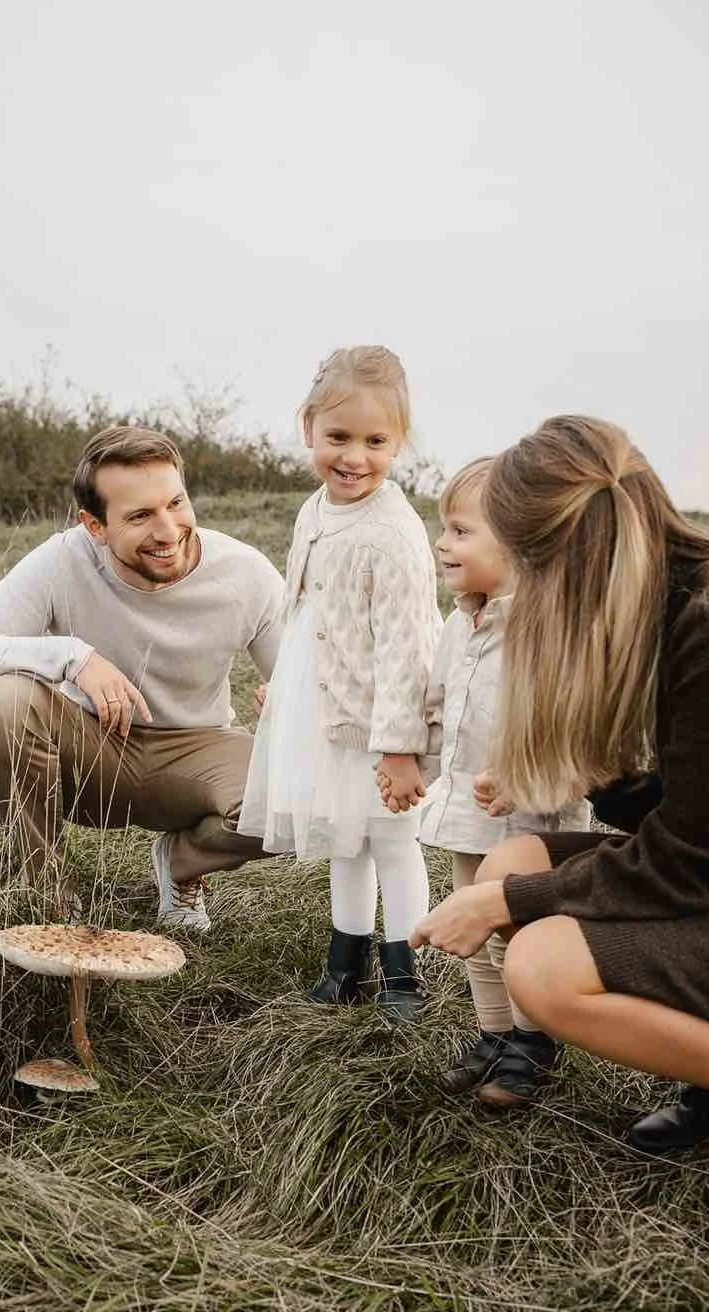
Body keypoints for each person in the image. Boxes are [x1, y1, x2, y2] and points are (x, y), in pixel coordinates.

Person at [408, 415, 709, 1152]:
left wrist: (498, 903)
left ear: (556, 559)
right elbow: (689, 818)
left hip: (701, 879)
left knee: (540, 968)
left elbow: (687, 862)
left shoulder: (706, 626)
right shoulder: (663, 604)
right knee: (515, 859)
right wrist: (592, 772)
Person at [0, 424, 285, 932]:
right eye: (140, 516)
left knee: (297, 790)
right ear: (94, 525)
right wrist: (71, 657)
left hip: (196, 749)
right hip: (91, 751)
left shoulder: (246, 573)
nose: (167, 530)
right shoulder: (62, 560)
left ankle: (182, 863)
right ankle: (47, 897)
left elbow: (301, 681)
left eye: (175, 503)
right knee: (5, 702)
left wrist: (290, 708)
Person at [238, 346, 442, 1021]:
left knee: (391, 841)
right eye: (338, 438)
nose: (354, 456)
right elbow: (307, 612)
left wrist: (400, 744)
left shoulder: (393, 535)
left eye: (375, 441)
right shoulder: (314, 512)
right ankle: (344, 964)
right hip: (326, 710)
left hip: (384, 723)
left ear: (398, 443)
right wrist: (288, 687)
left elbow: (407, 650)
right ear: (308, 429)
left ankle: (405, 974)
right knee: (342, 838)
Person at [411, 456, 589, 1106]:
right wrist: (410, 759)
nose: (442, 542)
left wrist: (532, 776)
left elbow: (578, 729)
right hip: (466, 810)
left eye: (460, 531)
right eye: (443, 528)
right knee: (474, 931)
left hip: (534, 822)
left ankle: (533, 1043)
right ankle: (493, 1035)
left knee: (522, 932)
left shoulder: (549, 629)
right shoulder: (459, 624)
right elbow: (437, 703)